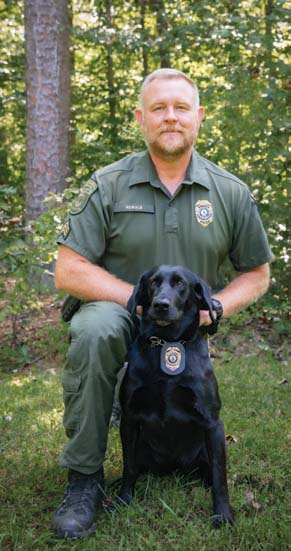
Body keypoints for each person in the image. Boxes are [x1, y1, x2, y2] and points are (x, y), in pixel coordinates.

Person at [52, 68, 272, 538]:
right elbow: (68, 270)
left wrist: (216, 306)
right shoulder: (108, 184)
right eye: (158, 108)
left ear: (199, 117)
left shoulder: (229, 192)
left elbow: (257, 272)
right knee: (96, 331)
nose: (170, 117)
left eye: (181, 107)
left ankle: (133, 406)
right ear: (141, 118)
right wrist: (135, 301)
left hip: (187, 329)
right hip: (121, 314)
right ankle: (85, 480)